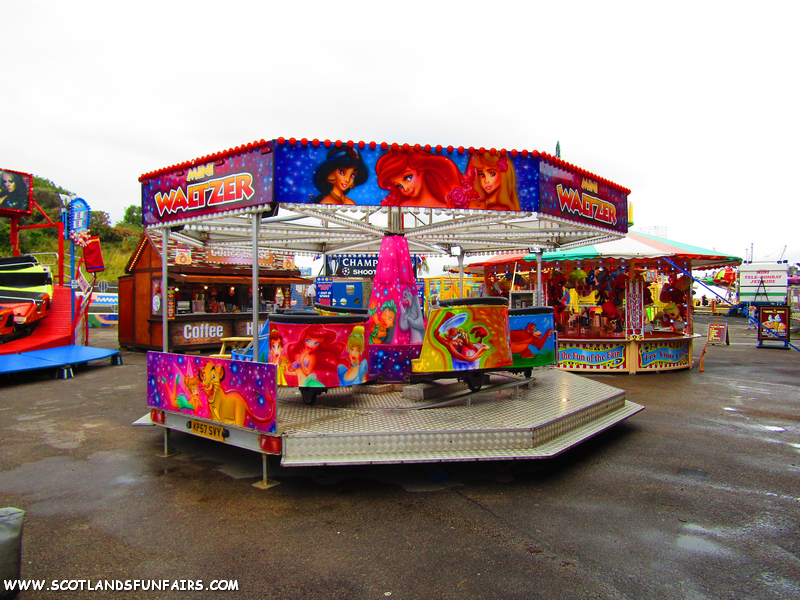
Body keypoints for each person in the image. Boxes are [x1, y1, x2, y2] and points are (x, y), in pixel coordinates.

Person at [376, 149, 462, 208]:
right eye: (399, 186)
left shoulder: (448, 205)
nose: (405, 189)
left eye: (408, 178)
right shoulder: (403, 206)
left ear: (420, 170)